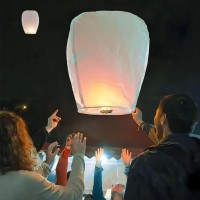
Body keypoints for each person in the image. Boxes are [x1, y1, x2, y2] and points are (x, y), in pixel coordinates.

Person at [125, 94, 200, 200]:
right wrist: (140, 122)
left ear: (163, 118)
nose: (154, 118)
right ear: (194, 123)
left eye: (156, 114)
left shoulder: (144, 163)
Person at [0, 111, 86, 200]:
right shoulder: (26, 180)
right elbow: (74, 195)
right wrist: (79, 155)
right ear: (17, 143)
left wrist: (48, 162)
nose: (28, 144)